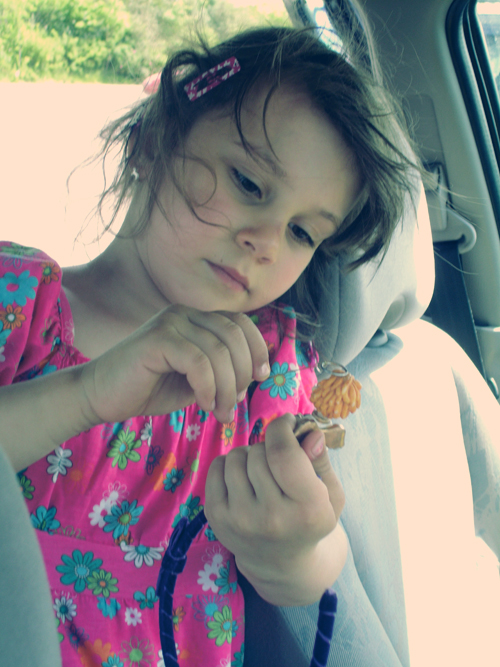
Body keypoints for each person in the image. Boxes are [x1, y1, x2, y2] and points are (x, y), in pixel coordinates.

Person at [0, 26, 418, 666]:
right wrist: (87, 395)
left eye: (302, 232)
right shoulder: (19, 307)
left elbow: (321, 563)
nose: (266, 240)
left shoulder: (264, 375)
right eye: (248, 183)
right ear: (152, 142)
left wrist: (298, 549)